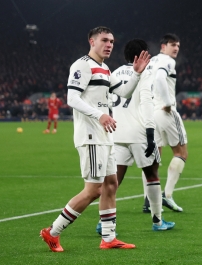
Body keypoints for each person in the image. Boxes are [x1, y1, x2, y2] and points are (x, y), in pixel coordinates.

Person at [39, 26, 150, 252]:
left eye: (111, 41)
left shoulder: (105, 69)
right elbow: (72, 98)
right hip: (90, 135)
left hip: (105, 136)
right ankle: (52, 232)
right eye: (104, 40)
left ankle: (109, 238)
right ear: (92, 41)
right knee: (93, 189)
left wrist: (137, 74)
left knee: (111, 184)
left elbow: (124, 93)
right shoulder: (82, 65)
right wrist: (100, 115)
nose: (109, 44)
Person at [108, 38, 175, 232]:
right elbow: (146, 102)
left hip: (118, 132)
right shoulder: (145, 72)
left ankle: (104, 221)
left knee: (114, 181)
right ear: (143, 55)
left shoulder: (115, 72)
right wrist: (150, 133)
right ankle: (157, 221)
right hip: (139, 133)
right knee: (152, 175)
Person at [142, 33, 185, 213]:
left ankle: (148, 199)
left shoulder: (151, 62)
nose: (176, 48)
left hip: (150, 113)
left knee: (154, 157)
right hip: (164, 111)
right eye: (172, 44)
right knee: (181, 153)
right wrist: (167, 103)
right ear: (163, 46)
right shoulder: (168, 61)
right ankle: (166, 195)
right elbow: (160, 78)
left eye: (178, 45)